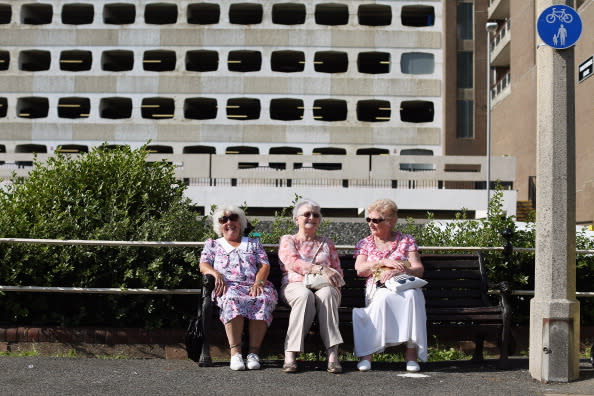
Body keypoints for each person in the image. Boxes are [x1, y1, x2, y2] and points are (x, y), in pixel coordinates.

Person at [352, 198, 427, 372]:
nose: (371, 223)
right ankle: (367, 356)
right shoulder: (365, 243)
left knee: (412, 297)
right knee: (383, 298)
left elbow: (418, 268)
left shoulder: (406, 240)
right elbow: (360, 269)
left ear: (391, 221)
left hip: (404, 285)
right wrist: (381, 262)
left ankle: (411, 357)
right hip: (378, 286)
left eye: (376, 220)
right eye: (368, 219)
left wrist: (401, 271)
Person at [199, 205, 278, 371]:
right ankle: (235, 354)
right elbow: (203, 264)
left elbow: (264, 265)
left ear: (240, 222)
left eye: (233, 218)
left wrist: (259, 282)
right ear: (219, 225)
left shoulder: (253, 243)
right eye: (223, 219)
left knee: (262, 298)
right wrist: (216, 274)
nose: (229, 222)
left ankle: (253, 354)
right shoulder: (213, 244)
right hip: (229, 286)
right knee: (232, 298)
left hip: (252, 285)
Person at [278, 199, 345, 373]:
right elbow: (293, 263)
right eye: (306, 214)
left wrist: (333, 279)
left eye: (315, 214)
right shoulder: (288, 240)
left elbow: (337, 270)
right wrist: (321, 269)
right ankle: (290, 353)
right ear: (296, 219)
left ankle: (332, 354)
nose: (311, 217)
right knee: (304, 296)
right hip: (295, 284)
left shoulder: (327, 243)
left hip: (324, 286)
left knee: (328, 295)